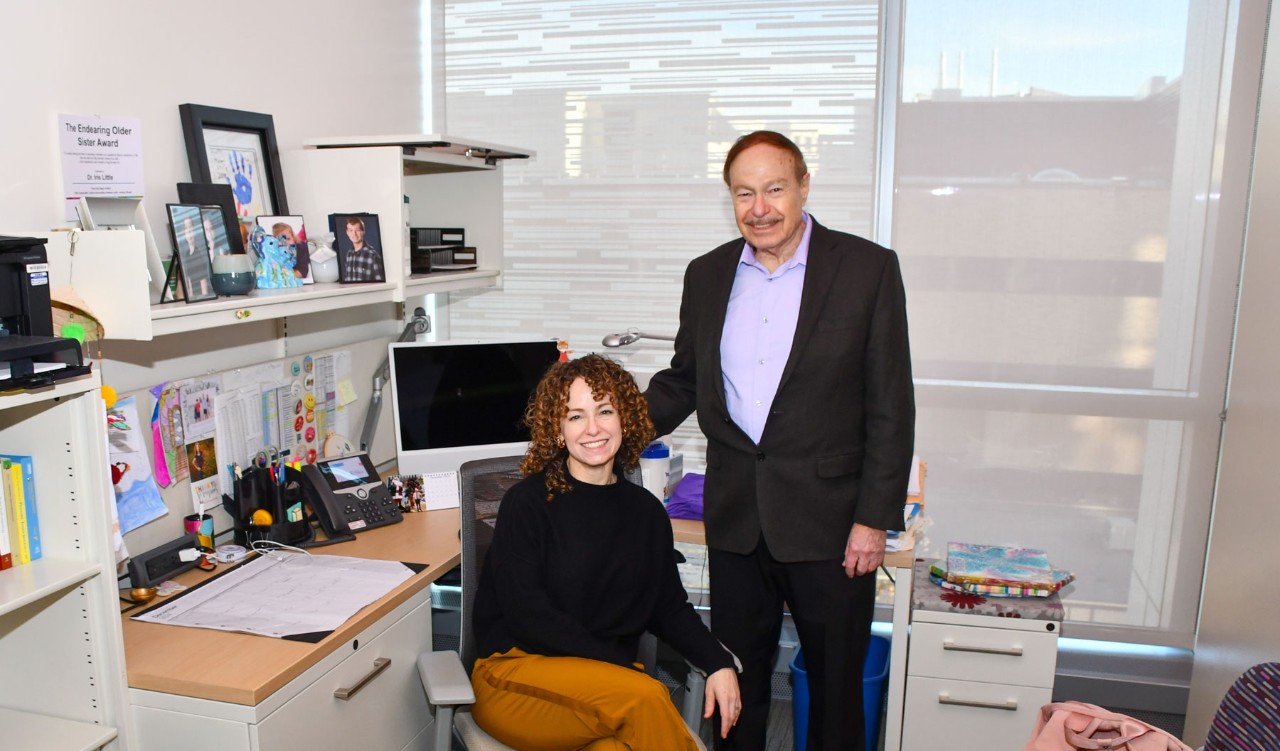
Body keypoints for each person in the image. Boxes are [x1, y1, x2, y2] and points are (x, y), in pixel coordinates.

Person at [645, 131, 915, 751]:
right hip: (739, 520)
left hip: (833, 526)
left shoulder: (867, 269)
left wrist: (874, 520)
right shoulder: (707, 274)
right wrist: (608, 427)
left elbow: (891, 409)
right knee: (735, 685)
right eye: (745, 193)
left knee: (836, 689)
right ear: (731, 199)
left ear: (802, 188)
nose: (759, 207)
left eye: (773, 189)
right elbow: (684, 380)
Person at [470, 353, 742, 750]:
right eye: (576, 416)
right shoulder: (526, 504)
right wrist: (620, 671)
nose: (593, 428)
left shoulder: (646, 512)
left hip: (608, 686)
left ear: (625, 419)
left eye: (605, 411)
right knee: (647, 698)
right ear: (557, 430)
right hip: (516, 677)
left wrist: (717, 660)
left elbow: (669, 607)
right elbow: (529, 616)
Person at [341, 216, 383, 282]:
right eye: (351, 230)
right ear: (347, 233)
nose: (354, 234)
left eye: (357, 230)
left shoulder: (373, 256)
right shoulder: (348, 254)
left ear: (363, 232)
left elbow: (380, 284)